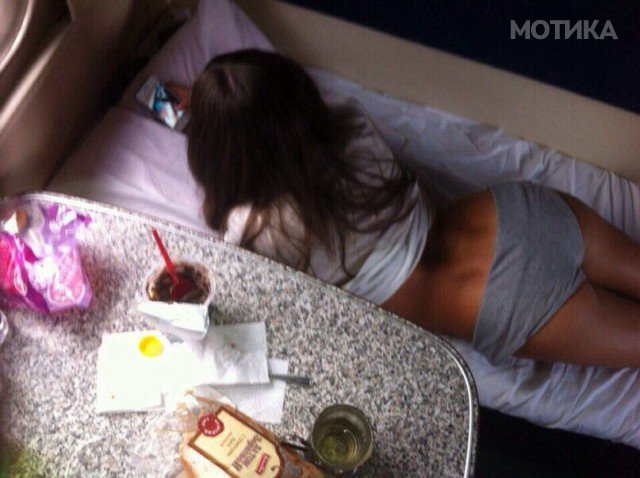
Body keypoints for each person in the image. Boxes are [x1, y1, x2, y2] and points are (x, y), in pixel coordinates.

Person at [179, 49, 640, 368]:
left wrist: (212, 126)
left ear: (216, 153)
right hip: (518, 211)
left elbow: (246, 296)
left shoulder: (255, 229)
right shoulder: (348, 123)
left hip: (506, 301)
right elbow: (277, 123)